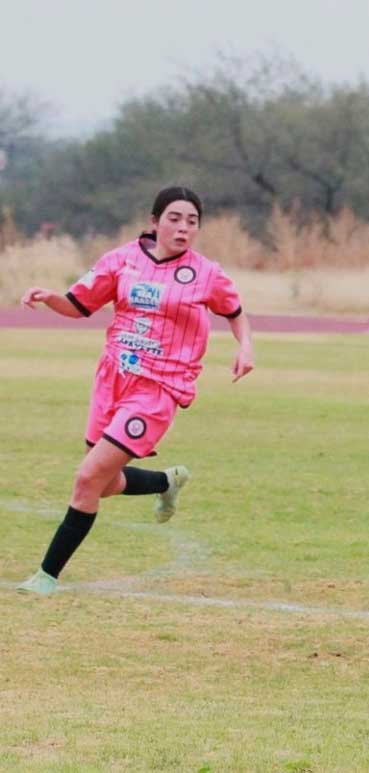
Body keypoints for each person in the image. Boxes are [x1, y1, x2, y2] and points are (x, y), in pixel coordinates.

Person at [16, 186, 254, 596]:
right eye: (174, 218)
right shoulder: (121, 260)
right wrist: (50, 297)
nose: (183, 227)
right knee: (103, 483)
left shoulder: (206, 274)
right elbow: (79, 303)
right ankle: (165, 481)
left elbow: (235, 313)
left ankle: (46, 575)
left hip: (159, 388)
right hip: (112, 380)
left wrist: (245, 346)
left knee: (87, 477)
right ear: (154, 221)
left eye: (192, 221)